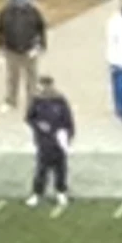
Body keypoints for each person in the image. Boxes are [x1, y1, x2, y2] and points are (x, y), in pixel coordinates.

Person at [0, 0, 46, 114]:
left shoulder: (33, 12)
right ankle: (11, 101)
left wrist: (40, 46)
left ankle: (33, 103)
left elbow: (41, 29)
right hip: (12, 50)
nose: (20, 4)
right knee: (12, 77)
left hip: (30, 49)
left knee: (32, 78)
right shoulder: (4, 12)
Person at [27, 73, 74, 211]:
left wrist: (67, 136)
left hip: (59, 140)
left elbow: (68, 120)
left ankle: (61, 191)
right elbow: (30, 118)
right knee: (42, 169)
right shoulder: (37, 101)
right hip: (43, 140)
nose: (44, 89)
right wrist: (39, 126)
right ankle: (37, 193)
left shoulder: (60, 100)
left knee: (60, 168)